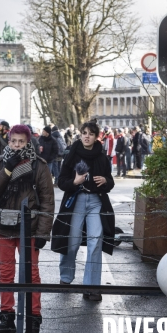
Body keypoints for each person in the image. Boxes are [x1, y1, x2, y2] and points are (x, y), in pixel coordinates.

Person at [0, 124, 54, 333]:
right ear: (9, 140)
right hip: (3, 226)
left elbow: (47, 202)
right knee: (6, 273)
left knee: (31, 275)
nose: (16, 145)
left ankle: (33, 320)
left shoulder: (39, 166)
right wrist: (7, 169)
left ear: (28, 142)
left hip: (30, 228)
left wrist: (43, 233)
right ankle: (7, 318)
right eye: (13, 141)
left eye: (21, 142)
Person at [51, 122, 115, 301]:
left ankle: (92, 286)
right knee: (72, 241)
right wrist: (75, 182)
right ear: (80, 135)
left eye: (91, 134)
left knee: (96, 241)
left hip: (96, 202)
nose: (87, 136)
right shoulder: (72, 154)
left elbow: (110, 181)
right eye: (84, 133)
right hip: (76, 200)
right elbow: (61, 181)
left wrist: (106, 181)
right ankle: (65, 278)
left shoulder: (102, 156)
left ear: (96, 137)